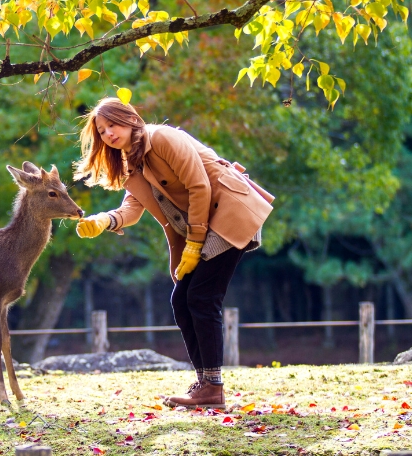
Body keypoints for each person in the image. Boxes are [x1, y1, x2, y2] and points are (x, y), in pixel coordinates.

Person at [73, 97, 274, 409]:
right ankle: (206, 383)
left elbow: (200, 187)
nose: (108, 133)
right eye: (101, 131)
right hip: (203, 224)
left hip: (229, 211)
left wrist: (194, 244)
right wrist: (105, 220)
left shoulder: (161, 138)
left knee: (202, 298)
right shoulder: (132, 162)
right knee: (182, 300)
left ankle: (212, 387)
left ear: (129, 118)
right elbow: (133, 207)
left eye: (112, 124)